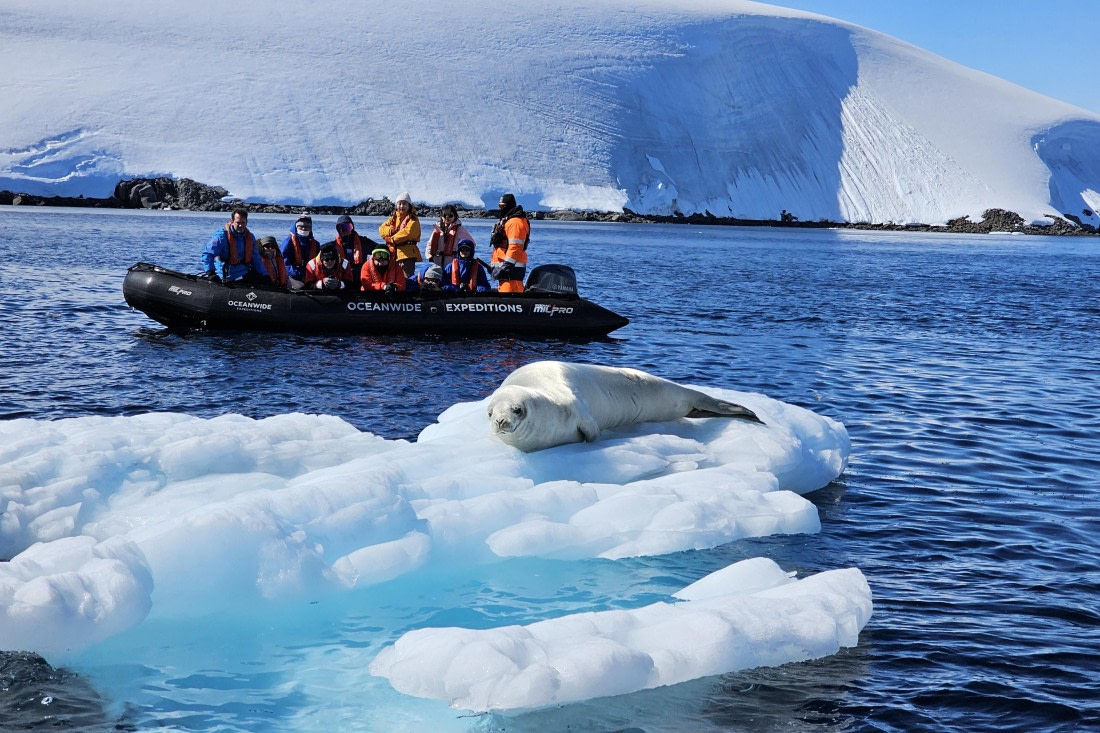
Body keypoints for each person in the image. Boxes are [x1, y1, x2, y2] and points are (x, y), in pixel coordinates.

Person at [200, 208, 269, 283]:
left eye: (243, 223)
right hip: (228, 274)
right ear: (232, 222)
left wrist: (265, 275)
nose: (240, 225)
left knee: (263, 281)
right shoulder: (222, 236)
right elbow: (207, 254)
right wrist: (211, 273)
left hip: (244, 271)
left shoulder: (250, 237)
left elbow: (256, 259)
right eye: (238, 222)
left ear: (247, 222)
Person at [488, 193, 529, 293]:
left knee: (511, 298)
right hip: (505, 271)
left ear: (509, 206)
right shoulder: (508, 221)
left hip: (511, 270)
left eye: (502, 206)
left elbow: (515, 246)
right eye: (499, 206)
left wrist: (506, 266)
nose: (500, 209)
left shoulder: (515, 223)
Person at [378, 192, 422, 278]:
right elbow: (381, 229)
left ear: (409, 205)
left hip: (407, 255)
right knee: (391, 278)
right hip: (393, 254)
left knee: (406, 279)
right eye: (400, 204)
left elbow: (407, 232)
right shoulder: (393, 218)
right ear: (396, 205)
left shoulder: (413, 219)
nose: (402, 206)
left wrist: (391, 239)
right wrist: (390, 231)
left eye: (405, 204)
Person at [424, 204, 475, 268]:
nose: (447, 217)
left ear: (455, 216)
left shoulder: (459, 229)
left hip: (452, 263)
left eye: (450, 215)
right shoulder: (437, 228)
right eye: (444, 215)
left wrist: (464, 256)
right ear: (441, 216)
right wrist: (429, 256)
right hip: (436, 263)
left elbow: (472, 243)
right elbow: (429, 244)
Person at [281, 213, 320, 284]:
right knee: (299, 286)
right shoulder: (288, 242)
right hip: (293, 275)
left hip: (311, 275)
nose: (304, 229)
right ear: (296, 226)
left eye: (307, 227)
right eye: (301, 226)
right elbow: (284, 263)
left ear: (310, 228)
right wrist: (298, 274)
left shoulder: (316, 244)